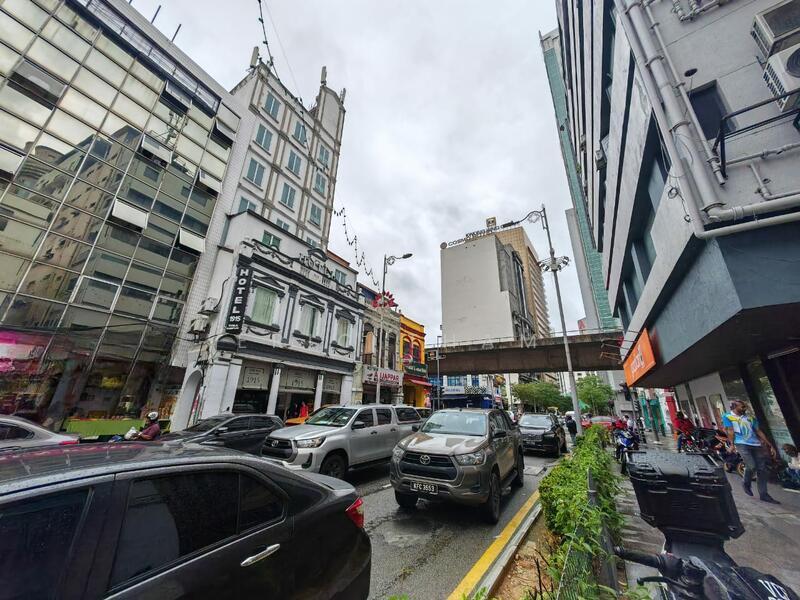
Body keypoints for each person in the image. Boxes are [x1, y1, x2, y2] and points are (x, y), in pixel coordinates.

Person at [722, 400, 779, 503]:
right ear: (734, 407)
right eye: (742, 406)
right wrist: (732, 445)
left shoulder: (750, 417)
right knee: (751, 466)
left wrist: (769, 444)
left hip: (755, 444)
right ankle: (745, 483)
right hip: (741, 443)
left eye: (745, 406)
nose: (744, 408)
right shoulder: (727, 416)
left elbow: (758, 431)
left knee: (762, 469)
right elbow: (730, 430)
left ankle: (764, 494)